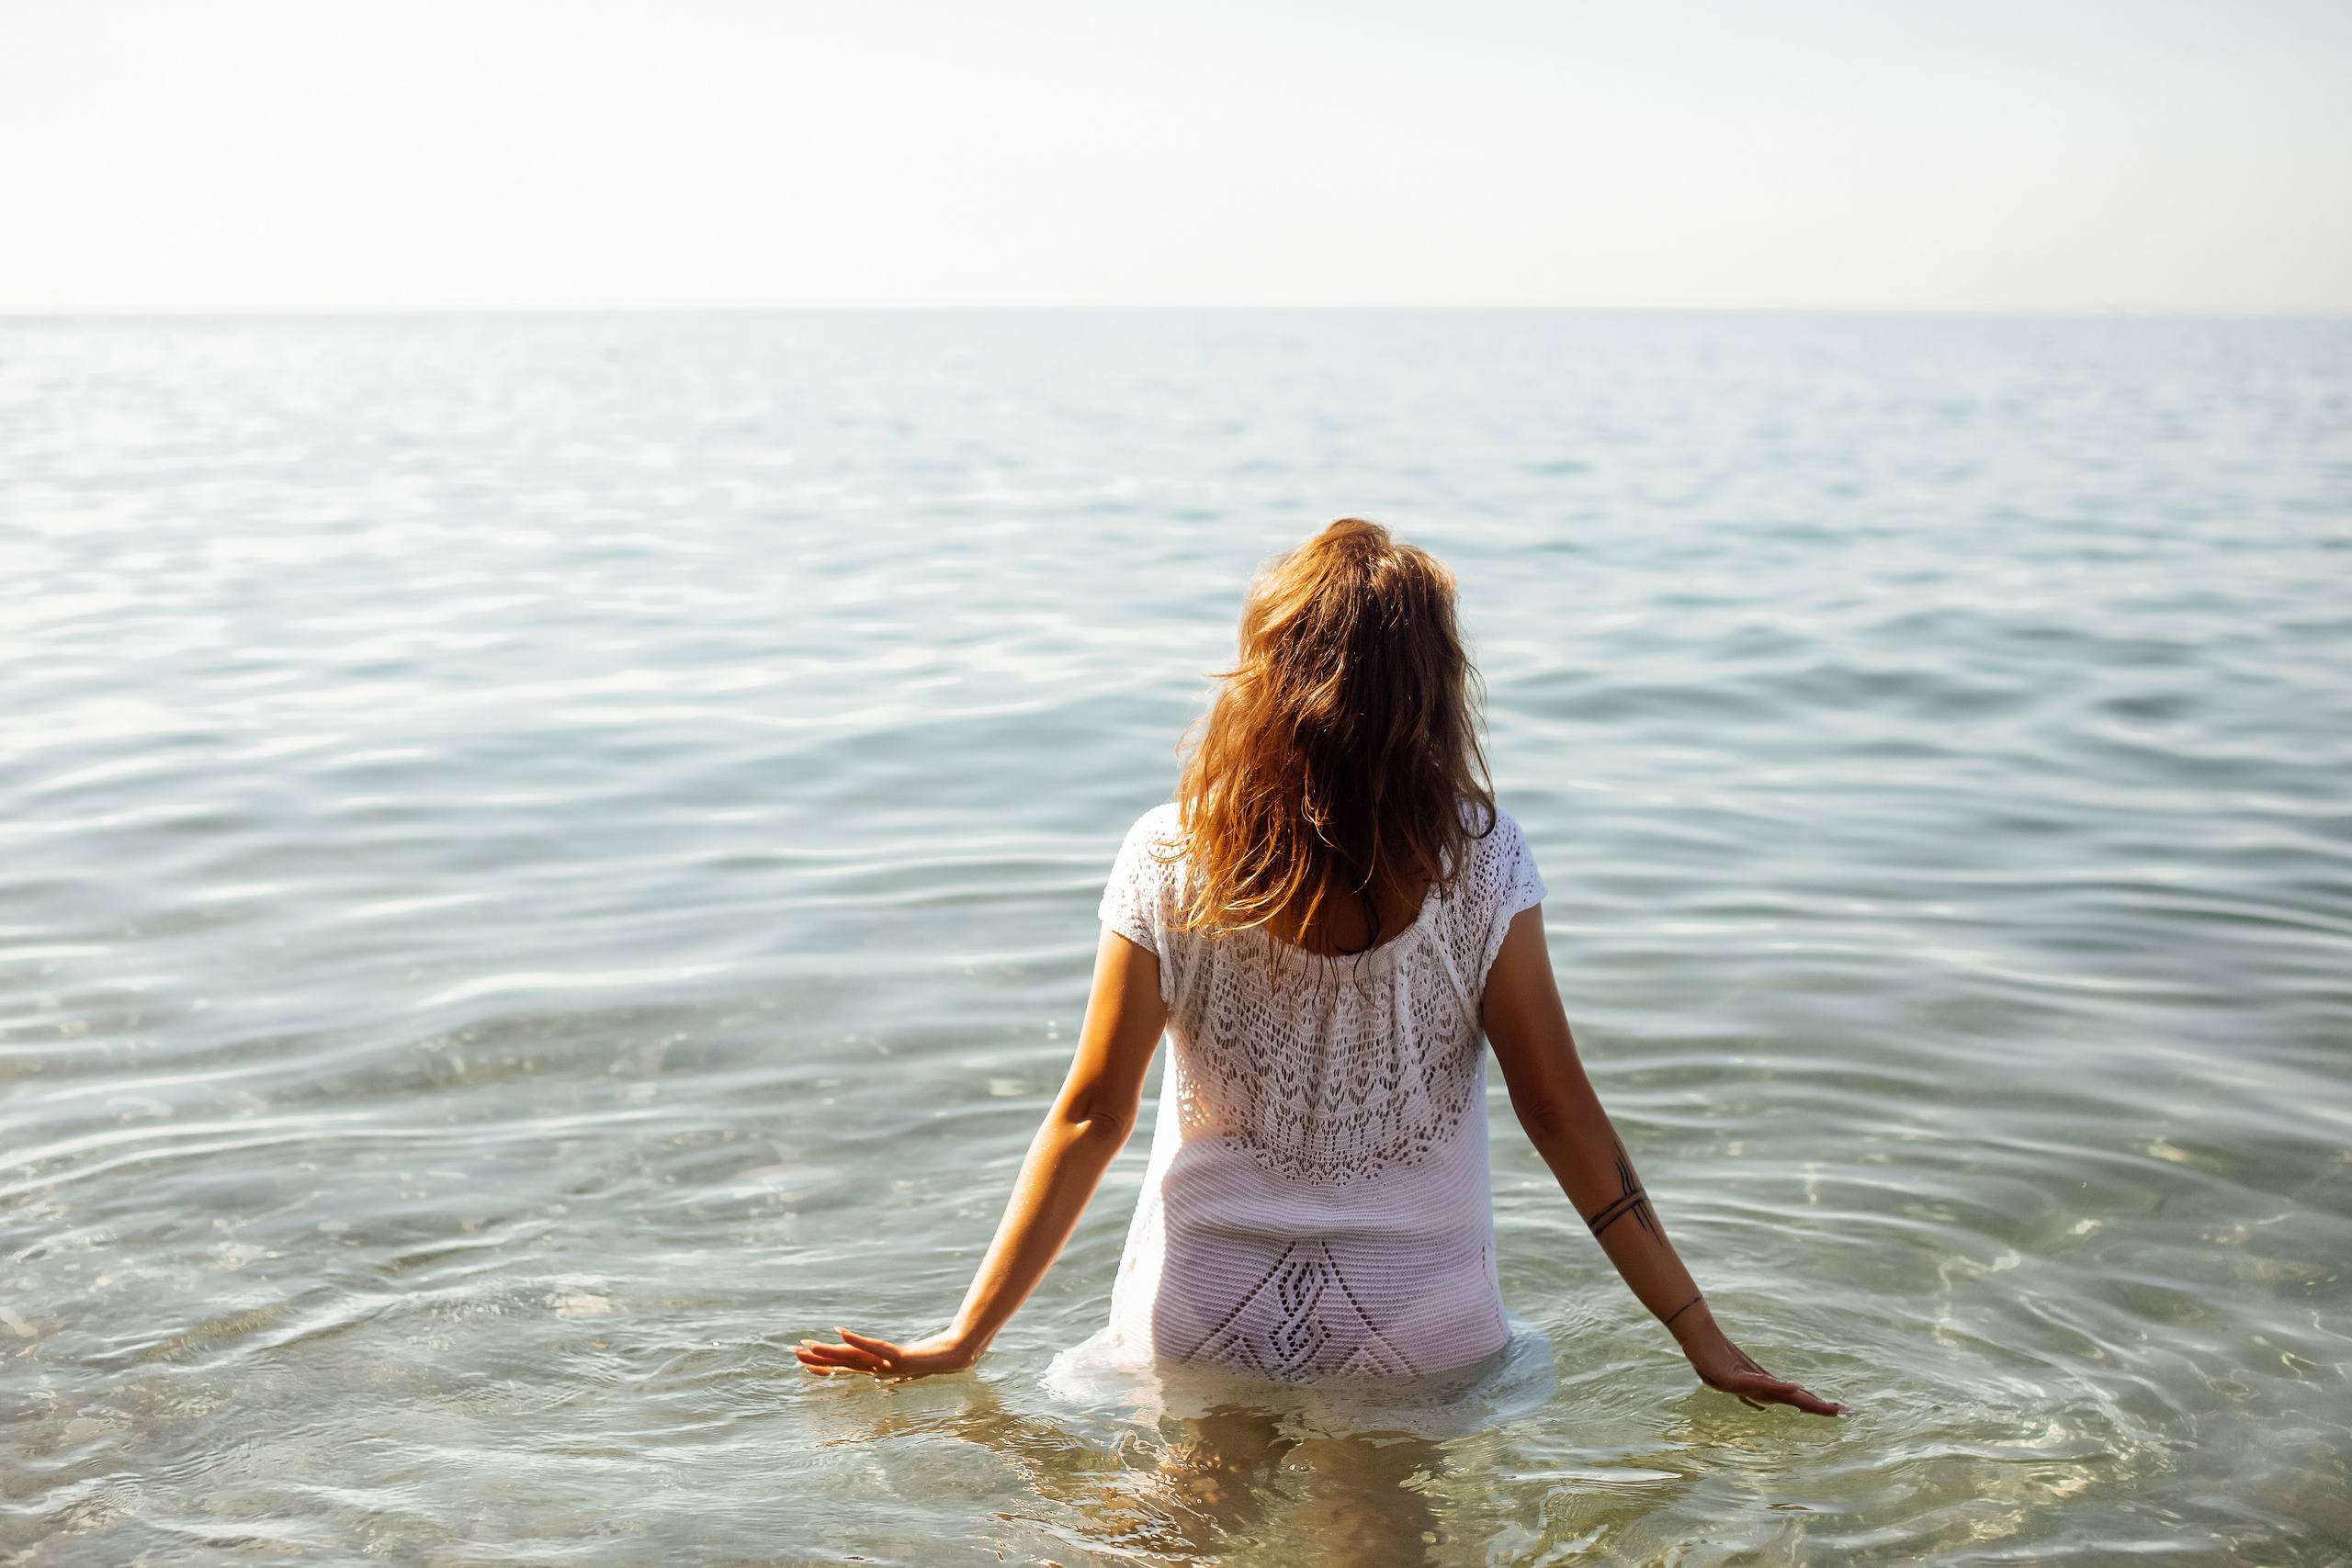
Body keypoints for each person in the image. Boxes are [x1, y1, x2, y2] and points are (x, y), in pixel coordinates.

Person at [797, 519, 1843, 1419]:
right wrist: (1701, 1338)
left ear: (1264, 675)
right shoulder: (1480, 857)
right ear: (1435, 690)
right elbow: (1560, 1112)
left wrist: (963, 1338)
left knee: (1180, 1543)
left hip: (1203, 1303)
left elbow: (1088, 1115)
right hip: (1419, 1312)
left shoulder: (1172, 853)